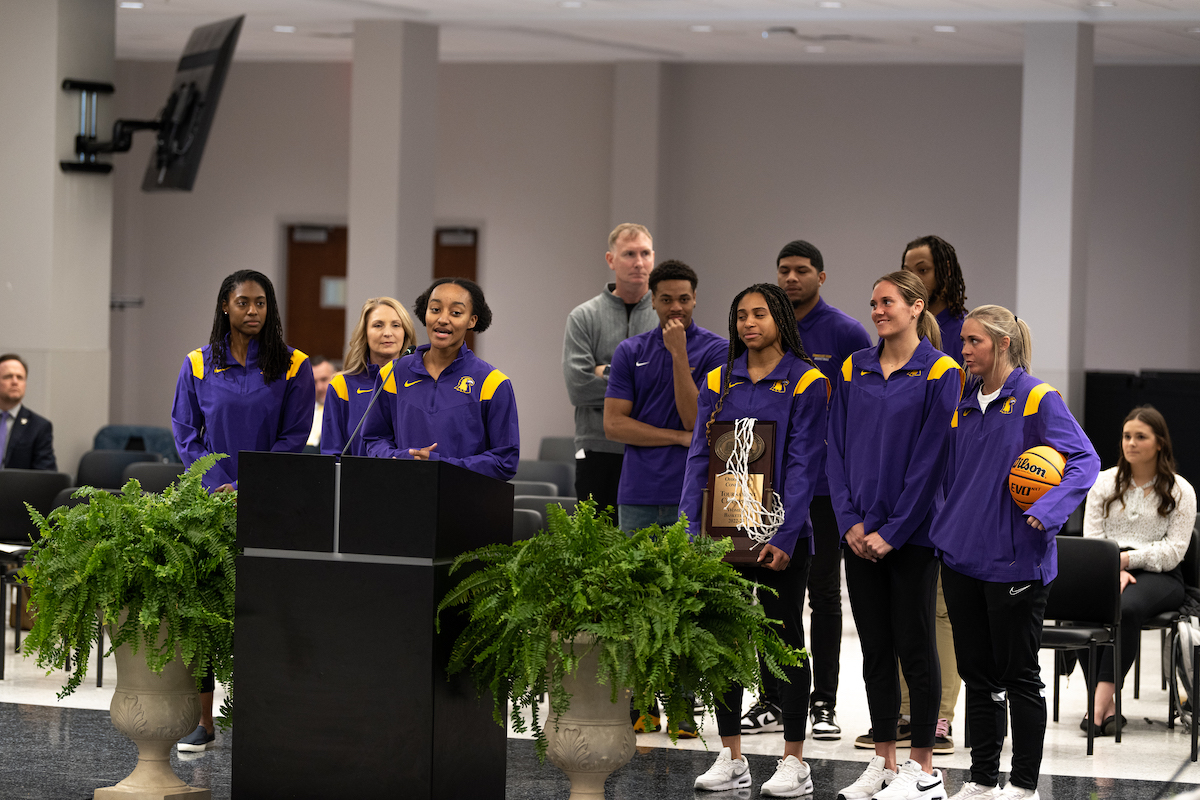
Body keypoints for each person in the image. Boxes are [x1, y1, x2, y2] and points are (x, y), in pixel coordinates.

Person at [931, 305, 1099, 800]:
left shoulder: (1037, 399)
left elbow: (1084, 461)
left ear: (1002, 343)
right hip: (961, 560)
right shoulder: (963, 401)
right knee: (977, 675)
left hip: (1016, 561)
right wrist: (945, 525)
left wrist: (1047, 511)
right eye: (962, 342)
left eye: (974, 342)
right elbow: (950, 476)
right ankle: (983, 779)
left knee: (1020, 676)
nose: (964, 351)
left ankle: (1023, 785)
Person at [681, 283, 828, 797]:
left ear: (781, 319)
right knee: (721, 640)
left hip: (782, 537)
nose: (748, 322)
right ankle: (731, 755)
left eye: (759, 314)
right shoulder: (720, 378)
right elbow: (700, 455)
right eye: (740, 314)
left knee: (784, 644)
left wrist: (787, 534)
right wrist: (687, 528)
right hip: (721, 533)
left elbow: (806, 462)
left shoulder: (807, 380)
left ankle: (794, 761)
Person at [827, 271, 963, 800]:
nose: (877, 311)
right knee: (876, 650)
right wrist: (850, 523)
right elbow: (834, 450)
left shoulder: (941, 371)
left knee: (915, 647)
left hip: (913, 536)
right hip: (859, 534)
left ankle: (922, 767)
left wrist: (894, 531)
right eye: (873, 304)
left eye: (886, 303)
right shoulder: (851, 366)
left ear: (914, 307)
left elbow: (931, 462)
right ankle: (884, 759)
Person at [171, 269, 316, 751]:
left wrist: (249, 484)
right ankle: (204, 721)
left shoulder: (294, 365)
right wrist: (217, 485)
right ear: (224, 307)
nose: (252, 311)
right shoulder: (196, 363)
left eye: (260, 303)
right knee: (208, 612)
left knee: (268, 612)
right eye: (242, 302)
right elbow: (186, 434)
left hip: (270, 504)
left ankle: (267, 717)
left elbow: (294, 436)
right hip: (208, 507)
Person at [752, 239, 869, 742]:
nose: (790, 278)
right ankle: (771, 697)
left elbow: (854, 413)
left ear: (821, 277)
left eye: (801, 271)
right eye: (783, 270)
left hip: (821, 488)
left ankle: (823, 702)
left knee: (822, 595)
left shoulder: (845, 332)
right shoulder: (764, 327)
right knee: (766, 594)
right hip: (761, 486)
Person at [604, 259, 726, 737]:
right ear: (652, 300)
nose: (676, 307)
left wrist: (679, 355)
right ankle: (641, 704)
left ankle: (681, 704)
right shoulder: (629, 350)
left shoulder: (717, 349)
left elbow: (697, 417)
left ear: (695, 299)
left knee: (685, 602)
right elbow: (614, 424)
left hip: (692, 496)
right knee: (636, 600)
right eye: (666, 298)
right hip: (638, 492)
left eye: (684, 298)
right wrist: (675, 440)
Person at [896, 233, 970, 755]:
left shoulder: (964, 332)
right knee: (906, 608)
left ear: (943, 272)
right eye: (907, 268)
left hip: (952, 484)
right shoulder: (894, 335)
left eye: (924, 267)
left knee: (941, 609)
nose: (916, 274)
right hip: (903, 489)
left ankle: (939, 718)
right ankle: (904, 714)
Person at [1081, 406, 1195, 736]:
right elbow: (1094, 538)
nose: (1130, 443)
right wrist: (1110, 567)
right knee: (1079, 608)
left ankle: (1095, 706)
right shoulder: (1103, 483)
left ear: (1159, 443)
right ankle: (1108, 708)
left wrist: (1127, 561)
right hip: (1107, 567)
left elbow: (1174, 551)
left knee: (1126, 608)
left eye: (1140, 437)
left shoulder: (1180, 490)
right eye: (1127, 436)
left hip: (1161, 575)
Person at [362, 278, 518, 481]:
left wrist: (442, 466)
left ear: (472, 320)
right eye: (435, 309)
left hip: (463, 503)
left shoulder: (493, 383)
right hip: (401, 497)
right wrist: (403, 458)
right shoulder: (392, 373)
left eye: (456, 313)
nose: (443, 319)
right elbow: (374, 439)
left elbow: (504, 461)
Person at [563, 223, 659, 509]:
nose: (639, 262)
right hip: (597, 449)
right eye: (629, 254)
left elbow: (671, 387)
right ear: (611, 260)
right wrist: (642, 381)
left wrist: (603, 370)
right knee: (598, 548)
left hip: (652, 450)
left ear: (653, 257)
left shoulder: (665, 316)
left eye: (645, 253)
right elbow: (578, 387)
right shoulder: (583, 316)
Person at [321, 297, 416, 457]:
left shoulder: (422, 382)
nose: (387, 333)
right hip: (356, 480)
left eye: (396, 325)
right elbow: (333, 455)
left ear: (405, 332)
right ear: (364, 333)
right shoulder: (341, 385)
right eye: (378, 325)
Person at [902, 235, 968, 365]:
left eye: (923, 270)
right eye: (908, 272)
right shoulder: (899, 329)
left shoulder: (965, 332)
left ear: (947, 270)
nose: (914, 280)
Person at [0, 354, 56, 470]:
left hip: (17, 488)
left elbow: (46, 475)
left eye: (20, 377)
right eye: (8, 376)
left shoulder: (39, 427)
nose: (15, 382)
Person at [305, 356, 337, 452]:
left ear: (336, 377)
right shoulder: (300, 410)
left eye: (324, 379)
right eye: (314, 382)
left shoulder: (345, 409)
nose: (319, 388)